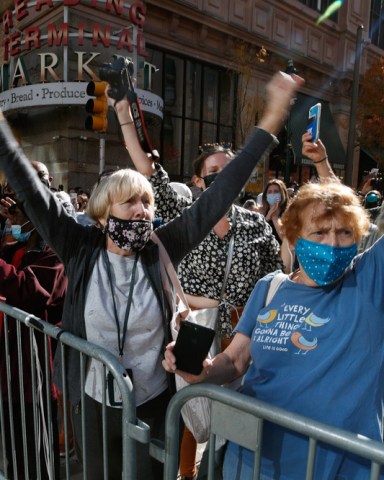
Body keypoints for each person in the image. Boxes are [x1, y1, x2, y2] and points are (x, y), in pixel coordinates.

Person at [0, 70, 303, 480]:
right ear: (104, 213)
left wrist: (270, 122)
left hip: (155, 404)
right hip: (91, 402)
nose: (142, 210)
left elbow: (220, 195)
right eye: (130, 202)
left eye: (146, 201)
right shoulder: (77, 246)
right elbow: (27, 184)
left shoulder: (163, 244)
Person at [163, 140, 384, 480]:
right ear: (293, 239)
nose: (334, 243)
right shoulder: (271, 287)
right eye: (320, 232)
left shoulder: (368, 281)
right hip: (253, 462)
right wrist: (203, 372)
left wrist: (324, 162)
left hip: (340, 468)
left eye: (344, 232)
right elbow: (236, 360)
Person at [115, 78, 287, 479]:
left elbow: (272, 279)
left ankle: (222, 470)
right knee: (191, 412)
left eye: (228, 172)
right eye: (213, 173)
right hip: (196, 330)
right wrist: (126, 116)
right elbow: (147, 169)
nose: (221, 179)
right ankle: (184, 472)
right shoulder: (184, 216)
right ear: (198, 181)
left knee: (236, 417)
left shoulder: (257, 227)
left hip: (242, 335)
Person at [0, 163, 67, 480]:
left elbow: (32, 290)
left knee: (35, 462)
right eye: (10, 192)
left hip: (33, 379)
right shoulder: (16, 241)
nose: (15, 199)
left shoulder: (57, 243)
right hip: (7, 374)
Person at [257, 178, 289, 244]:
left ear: (282, 194)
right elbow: (257, 235)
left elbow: (287, 241)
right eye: (269, 192)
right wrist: (267, 217)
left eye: (276, 191)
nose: (272, 194)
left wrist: (275, 218)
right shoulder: (261, 212)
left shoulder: (289, 213)